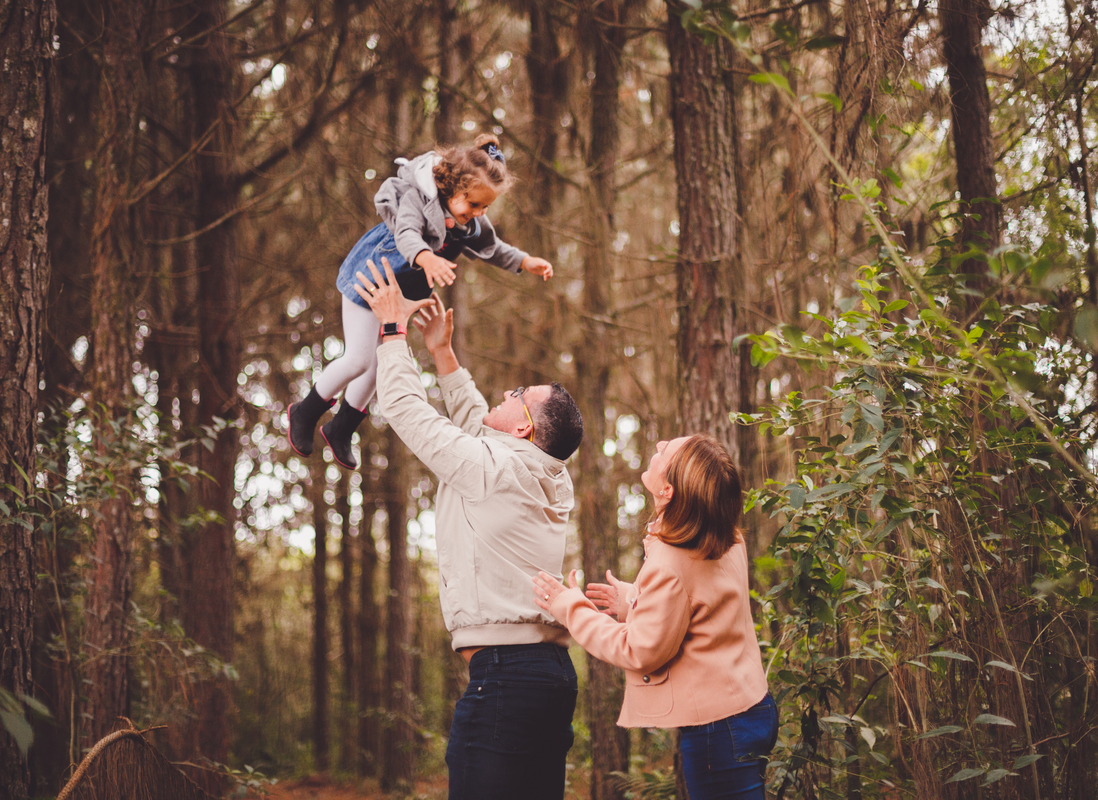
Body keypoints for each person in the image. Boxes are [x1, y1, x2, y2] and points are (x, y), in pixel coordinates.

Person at [353, 257, 584, 800]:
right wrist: (442, 352)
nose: (504, 395)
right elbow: (475, 421)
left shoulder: (497, 469)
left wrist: (391, 329)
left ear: (525, 426)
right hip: (545, 675)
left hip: (508, 680)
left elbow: (410, 412)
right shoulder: (539, 470)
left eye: (516, 396)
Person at [285, 133, 554, 469]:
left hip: (398, 295)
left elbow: (493, 247)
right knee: (358, 359)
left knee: (378, 366)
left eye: (486, 207)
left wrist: (525, 261)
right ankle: (305, 410)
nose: (479, 212)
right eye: (474, 204)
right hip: (369, 280)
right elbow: (407, 234)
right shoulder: (418, 198)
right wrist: (427, 258)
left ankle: (341, 428)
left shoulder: (469, 221)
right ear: (452, 186)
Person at [533, 435, 778, 800]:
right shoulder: (726, 537)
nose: (660, 442)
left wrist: (569, 606)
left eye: (668, 450)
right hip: (752, 708)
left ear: (667, 490)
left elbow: (640, 650)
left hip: (719, 730)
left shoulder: (669, 561)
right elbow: (705, 604)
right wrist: (633, 599)